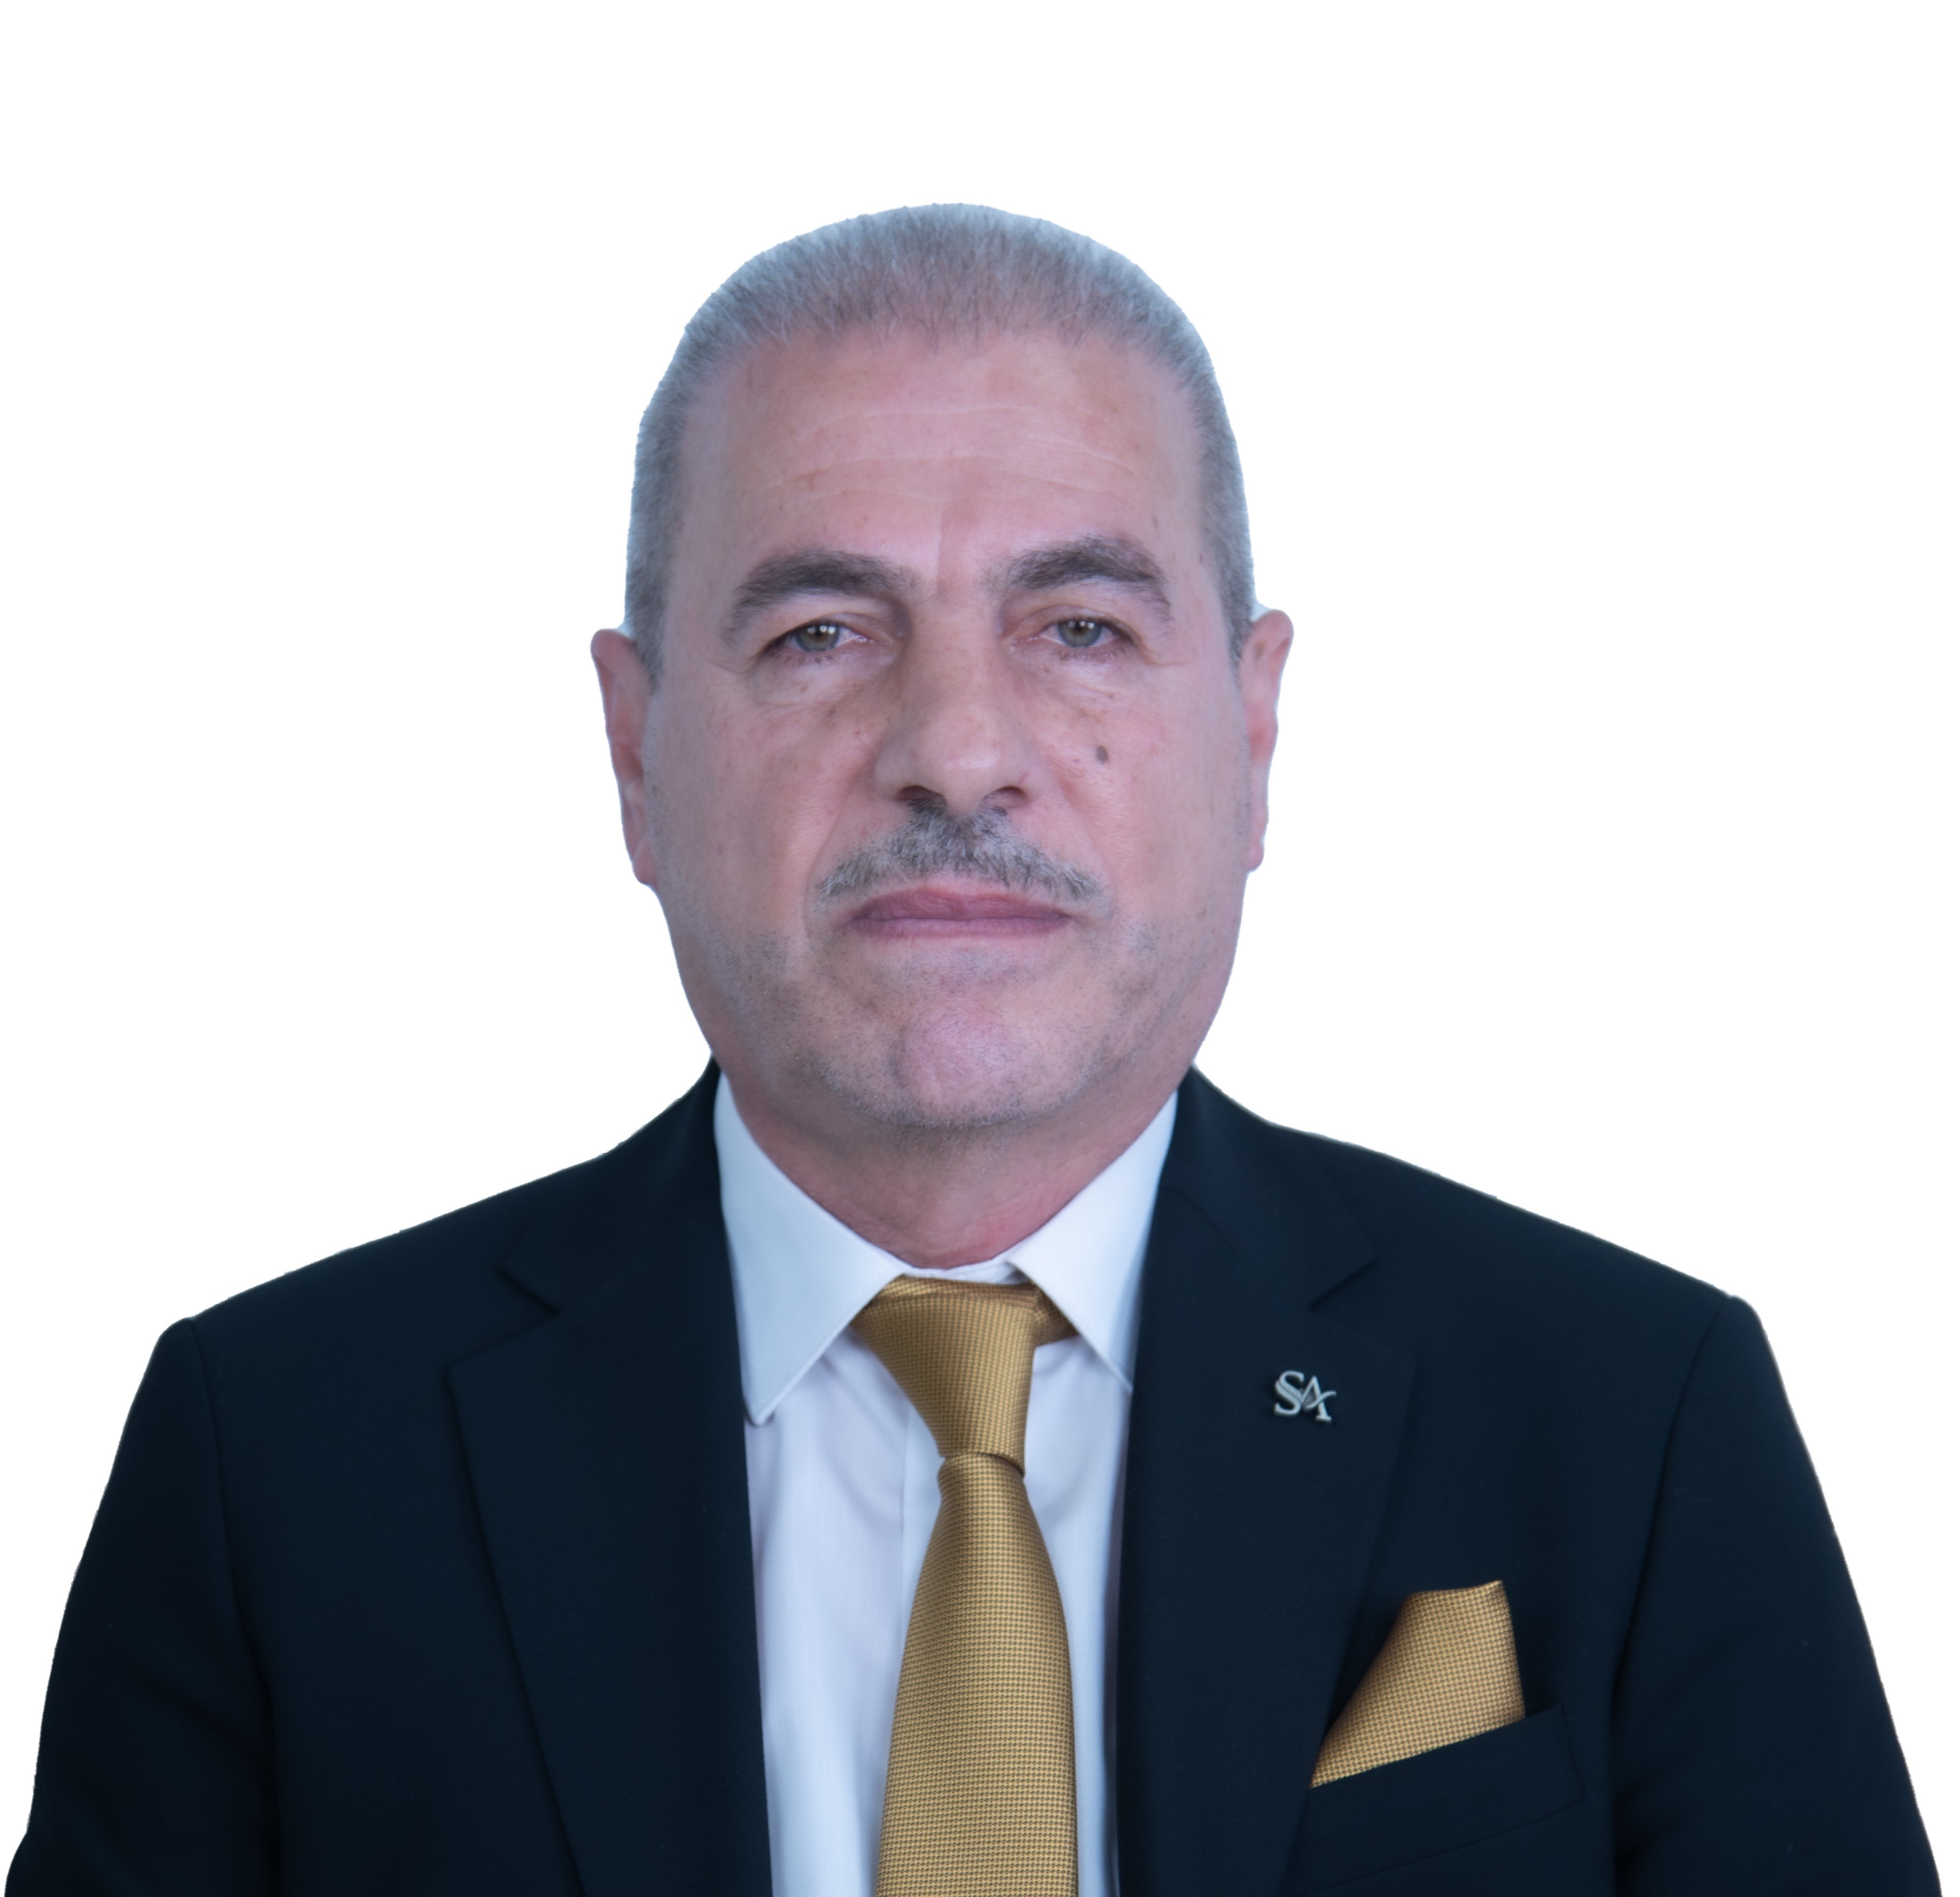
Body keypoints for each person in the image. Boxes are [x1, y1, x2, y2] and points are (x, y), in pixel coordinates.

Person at [8, 205, 1936, 1897]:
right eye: (821, 633)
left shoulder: (1634, 1419)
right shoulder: (277, 1464)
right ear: (636, 749)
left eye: (1079, 626)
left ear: (1254, 733)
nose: (956, 749)